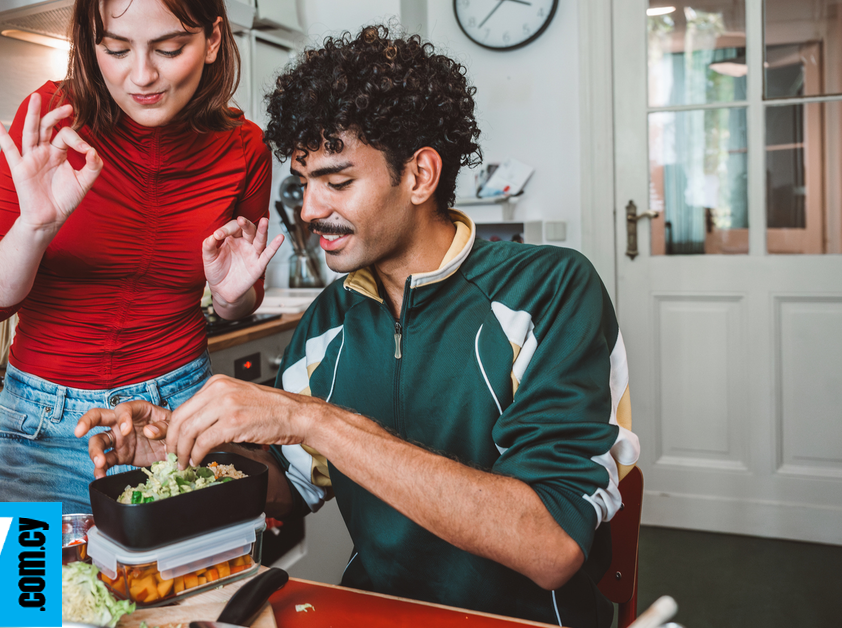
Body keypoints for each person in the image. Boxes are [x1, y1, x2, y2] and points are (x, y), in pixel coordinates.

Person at [76, 26, 640, 627]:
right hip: (371, 610)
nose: (312, 208)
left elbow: (551, 545)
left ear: (420, 175)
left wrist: (310, 418)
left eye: (338, 182)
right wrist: (192, 450)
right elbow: (290, 486)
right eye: (304, 182)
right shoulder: (330, 318)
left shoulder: (549, 290)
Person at [0, 0, 283, 513]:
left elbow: (238, 306)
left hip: (176, 420)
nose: (142, 75)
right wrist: (34, 227)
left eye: (170, 48)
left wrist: (231, 295)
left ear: (214, 40)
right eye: (115, 49)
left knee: (191, 591)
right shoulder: (51, 119)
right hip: (41, 432)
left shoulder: (243, 147)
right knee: (36, 594)